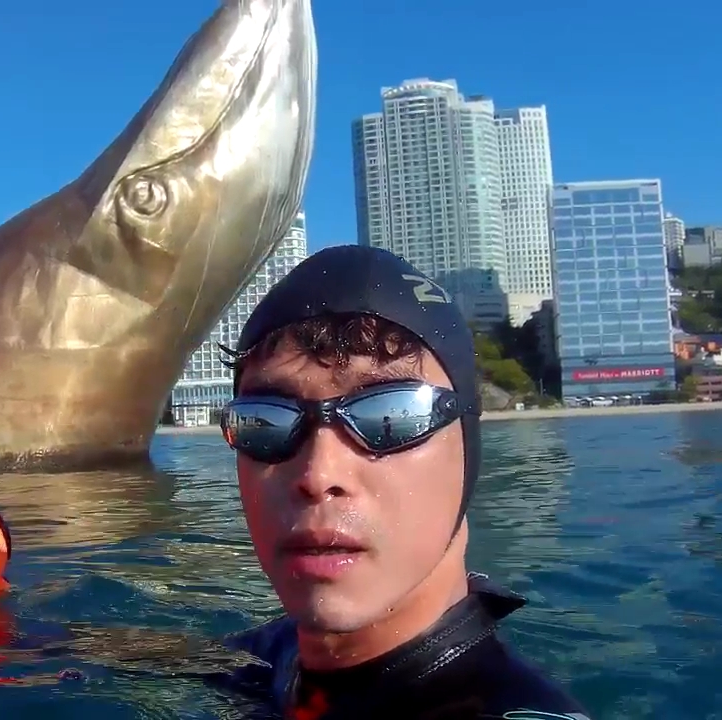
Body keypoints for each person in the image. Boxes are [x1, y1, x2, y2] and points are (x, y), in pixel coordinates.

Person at [217, 245, 591, 719]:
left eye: (390, 416)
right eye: (265, 421)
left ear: (467, 449)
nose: (319, 475)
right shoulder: (265, 656)